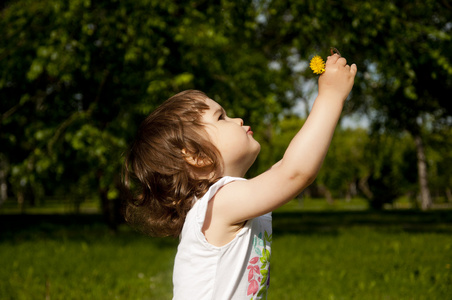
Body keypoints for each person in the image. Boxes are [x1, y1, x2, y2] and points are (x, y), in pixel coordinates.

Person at [123, 53, 357, 299]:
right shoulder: (220, 203)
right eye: (221, 117)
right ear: (196, 155)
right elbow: (294, 172)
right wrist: (331, 97)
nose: (237, 119)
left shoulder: (223, 200)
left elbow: (283, 170)